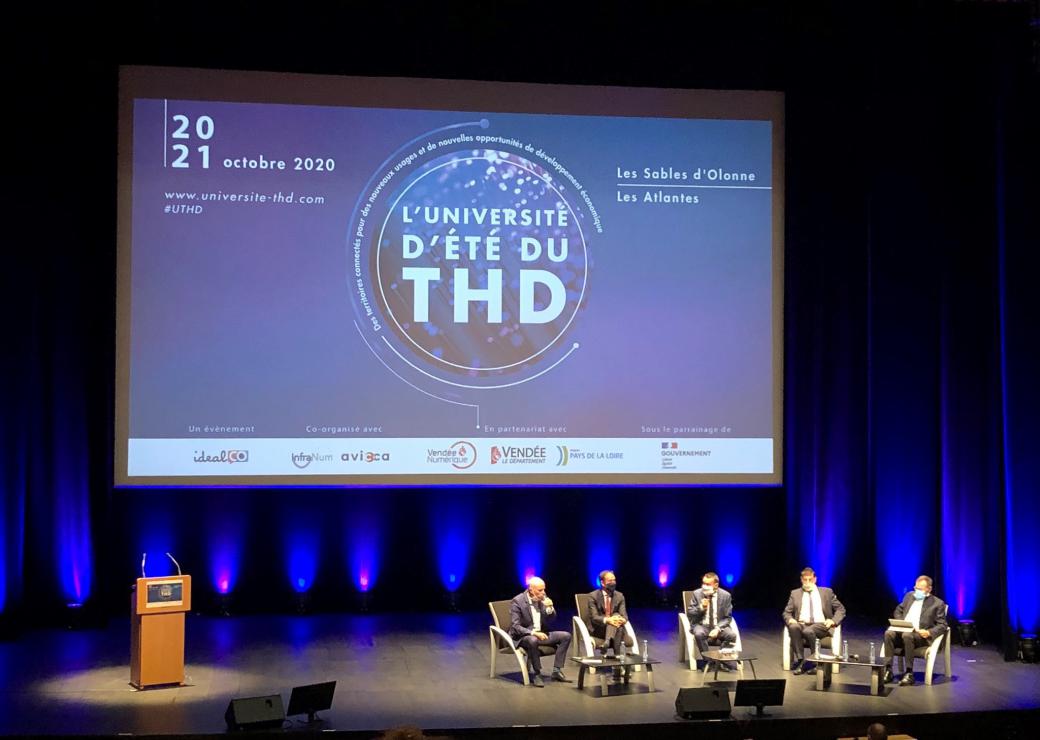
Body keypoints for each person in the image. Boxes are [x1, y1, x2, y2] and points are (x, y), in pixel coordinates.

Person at [882, 575, 948, 686]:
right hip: (903, 631)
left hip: (920, 636)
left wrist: (929, 632)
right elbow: (898, 610)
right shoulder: (909, 596)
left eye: (920, 589)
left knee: (907, 635)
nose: (917, 591)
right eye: (916, 588)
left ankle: (909, 673)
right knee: (888, 633)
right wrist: (902, 622)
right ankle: (888, 670)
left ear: (929, 589)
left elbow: (943, 625)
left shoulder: (937, 603)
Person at [508, 576, 572, 687]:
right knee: (533, 640)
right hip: (524, 636)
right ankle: (537, 674)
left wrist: (550, 608)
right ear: (531, 589)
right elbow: (515, 627)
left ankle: (557, 671)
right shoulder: (518, 601)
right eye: (540, 590)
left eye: (544, 589)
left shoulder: (543, 598)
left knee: (566, 636)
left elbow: (552, 619)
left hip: (541, 633)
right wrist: (533, 633)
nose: (543, 593)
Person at [783, 567, 846, 675]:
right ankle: (801, 660)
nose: (807, 583)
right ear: (801, 580)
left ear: (815, 579)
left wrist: (833, 621)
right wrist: (790, 619)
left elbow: (841, 609)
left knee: (808, 631)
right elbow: (786, 612)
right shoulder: (795, 593)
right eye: (805, 580)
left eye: (810, 580)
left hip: (821, 625)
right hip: (802, 624)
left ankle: (815, 661)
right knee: (793, 627)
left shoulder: (826, 592)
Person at [687, 571, 738, 670]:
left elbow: (728, 617)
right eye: (703, 583)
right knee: (699, 633)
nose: (704, 586)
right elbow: (690, 613)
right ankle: (708, 662)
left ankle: (721, 660)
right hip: (701, 624)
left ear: (716, 585)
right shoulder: (697, 594)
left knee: (731, 635)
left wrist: (718, 628)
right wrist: (701, 607)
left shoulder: (725, 595)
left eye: (707, 584)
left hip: (718, 625)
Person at [587, 570, 633, 656]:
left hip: (615, 627)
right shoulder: (593, 596)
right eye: (610, 581)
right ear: (602, 583)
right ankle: (618, 657)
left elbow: (624, 616)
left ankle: (607, 641)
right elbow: (594, 617)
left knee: (617, 616)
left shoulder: (620, 596)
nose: (613, 583)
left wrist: (621, 619)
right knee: (617, 624)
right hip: (599, 629)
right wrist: (609, 620)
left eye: (614, 580)